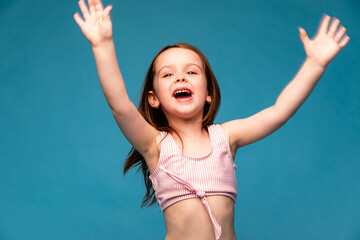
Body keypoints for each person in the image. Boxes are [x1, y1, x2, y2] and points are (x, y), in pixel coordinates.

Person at [74, 0, 350, 239]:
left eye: (191, 72)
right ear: (153, 98)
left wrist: (315, 64)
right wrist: (102, 44)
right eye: (168, 74)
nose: (180, 77)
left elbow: (278, 112)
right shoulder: (154, 145)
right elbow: (120, 106)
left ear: (208, 93)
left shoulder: (226, 137)